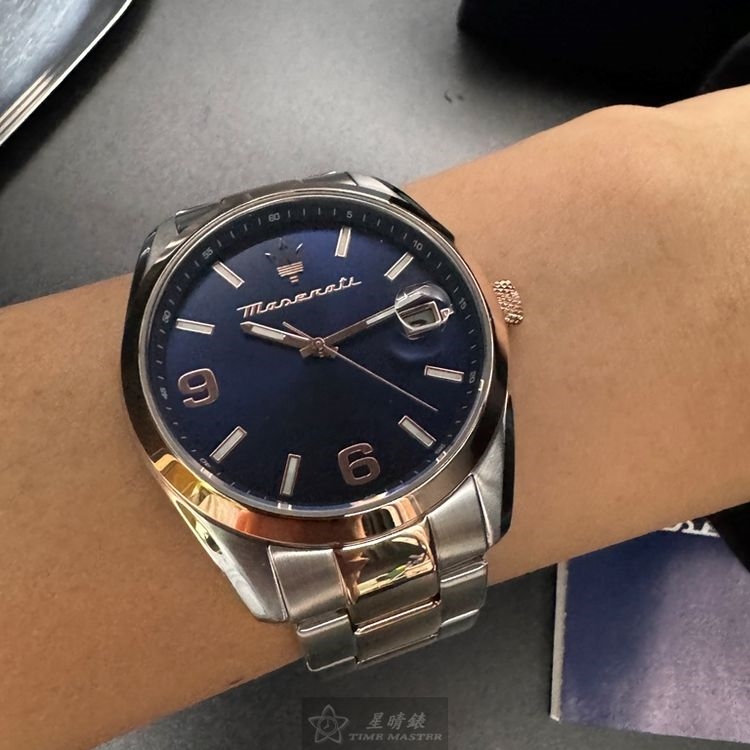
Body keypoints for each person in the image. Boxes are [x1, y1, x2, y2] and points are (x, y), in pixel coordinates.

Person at [3, 46, 750, 750]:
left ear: (497, 306)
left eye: (319, 344)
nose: (316, 347)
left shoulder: (414, 275)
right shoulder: (178, 379)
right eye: (309, 345)